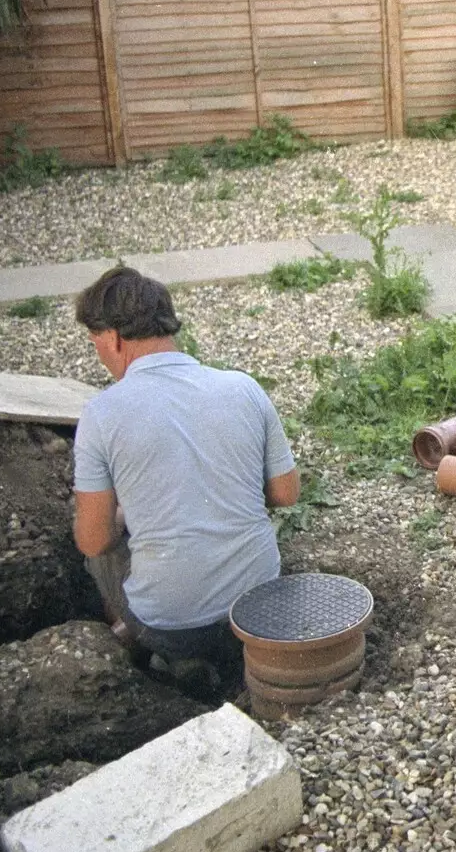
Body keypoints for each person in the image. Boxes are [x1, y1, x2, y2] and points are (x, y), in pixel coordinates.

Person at [71, 266, 300, 688]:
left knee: (97, 549)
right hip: (261, 608)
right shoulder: (242, 387)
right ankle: (229, 658)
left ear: (114, 338)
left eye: (95, 344)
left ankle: (159, 658)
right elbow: (286, 493)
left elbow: (93, 540)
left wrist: (126, 518)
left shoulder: (100, 414)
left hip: (171, 626)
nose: (99, 356)